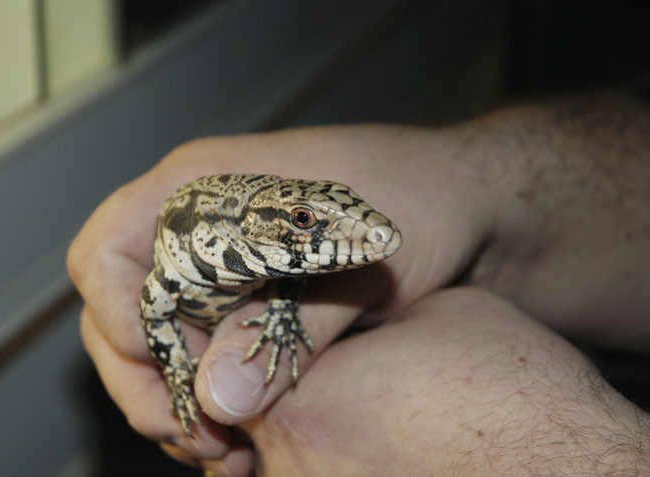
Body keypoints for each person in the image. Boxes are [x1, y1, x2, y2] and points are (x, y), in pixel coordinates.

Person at [67, 92, 650, 475]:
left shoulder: (274, 263)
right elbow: (154, 304)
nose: (378, 236)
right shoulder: (197, 248)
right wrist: (474, 176)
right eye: (303, 220)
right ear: (258, 223)